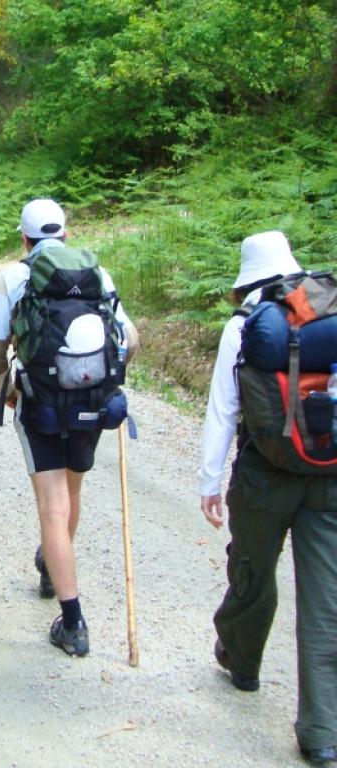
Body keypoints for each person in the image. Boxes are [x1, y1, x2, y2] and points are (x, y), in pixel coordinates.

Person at [199, 230, 337, 765]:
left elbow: (222, 410)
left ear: (246, 279)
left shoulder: (245, 326)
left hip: (262, 476)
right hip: (327, 472)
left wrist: (209, 484)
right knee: (325, 601)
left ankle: (243, 662)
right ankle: (321, 733)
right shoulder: (326, 311)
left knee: (253, 570)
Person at [0, 198, 139, 656]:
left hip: (42, 407)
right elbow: (130, 339)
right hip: (93, 405)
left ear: (24, 239)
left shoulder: (15, 277)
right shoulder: (98, 274)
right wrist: (109, 380)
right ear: (66, 235)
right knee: (72, 495)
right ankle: (55, 563)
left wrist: (7, 388)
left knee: (52, 510)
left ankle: (72, 623)